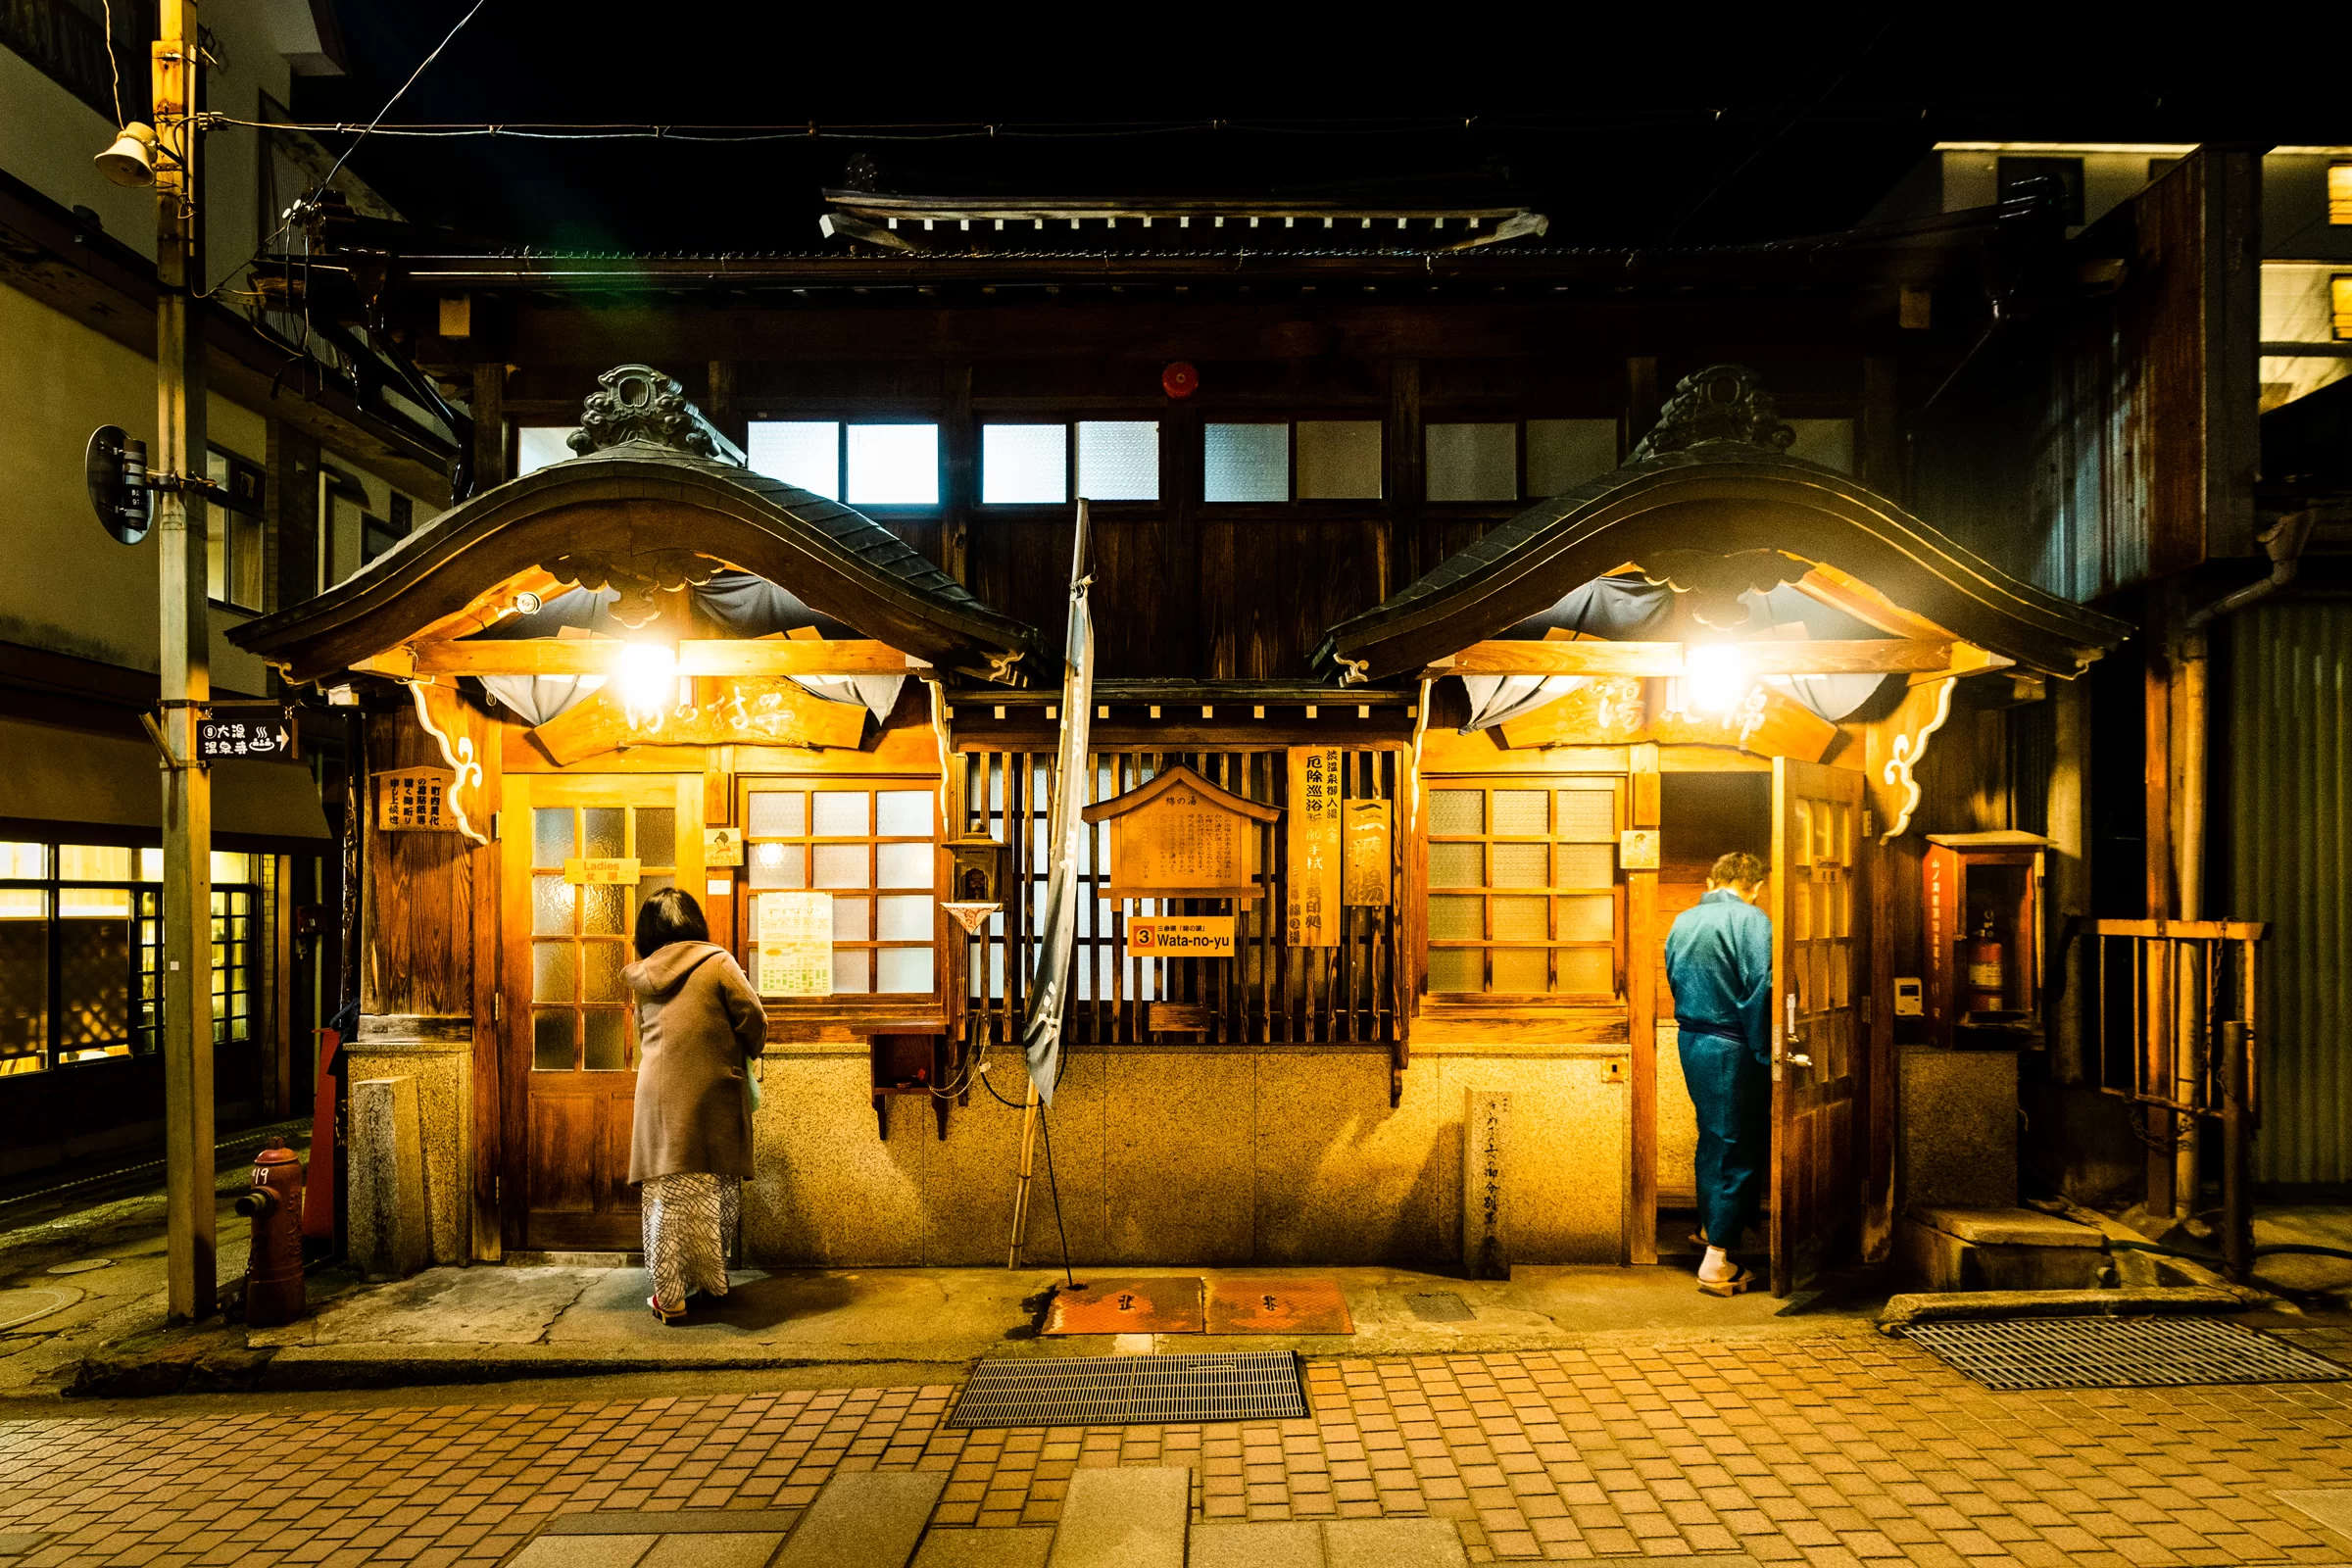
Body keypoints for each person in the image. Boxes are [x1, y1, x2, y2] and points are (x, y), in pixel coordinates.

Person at [625, 887, 766, 1324]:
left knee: (665, 1195)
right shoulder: (717, 962)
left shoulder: (643, 975)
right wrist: (746, 1050)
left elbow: (641, 1031)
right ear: (695, 923)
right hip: (711, 1092)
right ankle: (709, 1283)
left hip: (656, 1093)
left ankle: (670, 1296)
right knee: (709, 1190)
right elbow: (754, 1017)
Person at [1662, 851, 1773, 1298]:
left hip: (1692, 1038)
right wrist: (1767, 1050)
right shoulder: (1751, 919)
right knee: (1735, 1145)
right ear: (1756, 886)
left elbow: (1674, 976)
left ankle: (1711, 1227)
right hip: (1733, 1043)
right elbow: (1762, 985)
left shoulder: (1683, 920)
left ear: (1711, 881)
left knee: (1712, 1137)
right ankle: (1717, 1260)